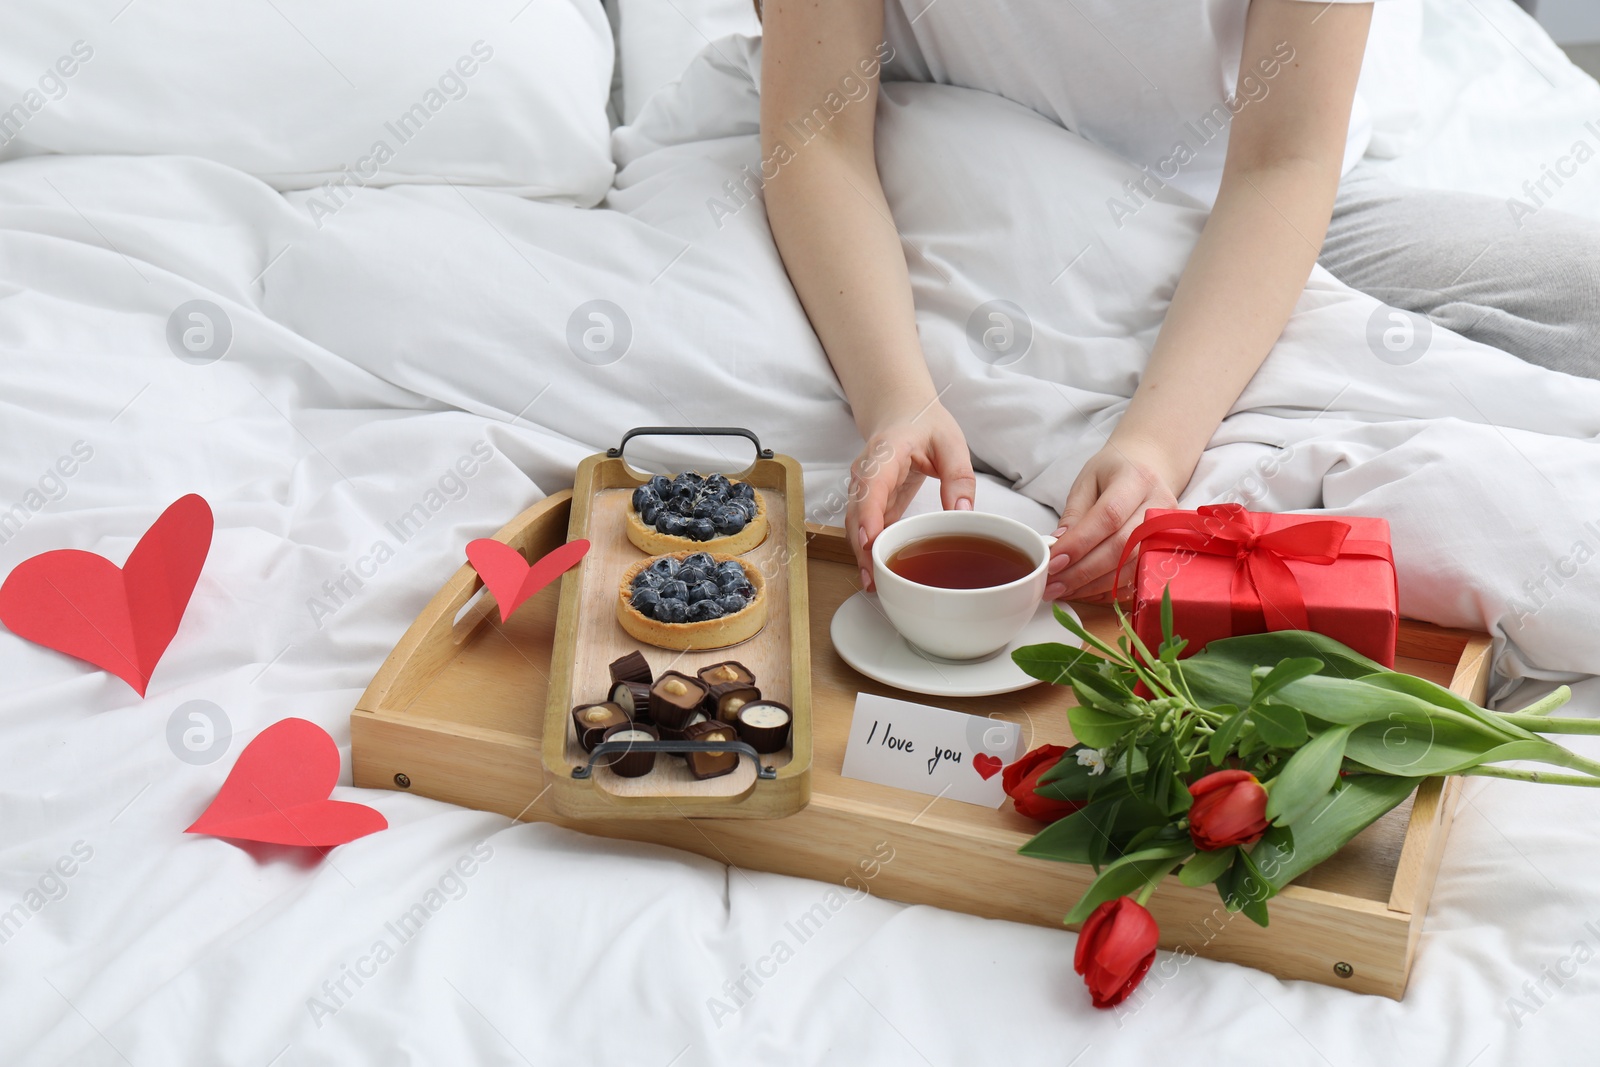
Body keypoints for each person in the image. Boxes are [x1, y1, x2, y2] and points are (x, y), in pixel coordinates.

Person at [758, 0, 1600, 606]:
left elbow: (1286, 161)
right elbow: (815, 132)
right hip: (968, 181)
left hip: (1261, 205)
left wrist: (1157, 445)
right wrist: (898, 399)